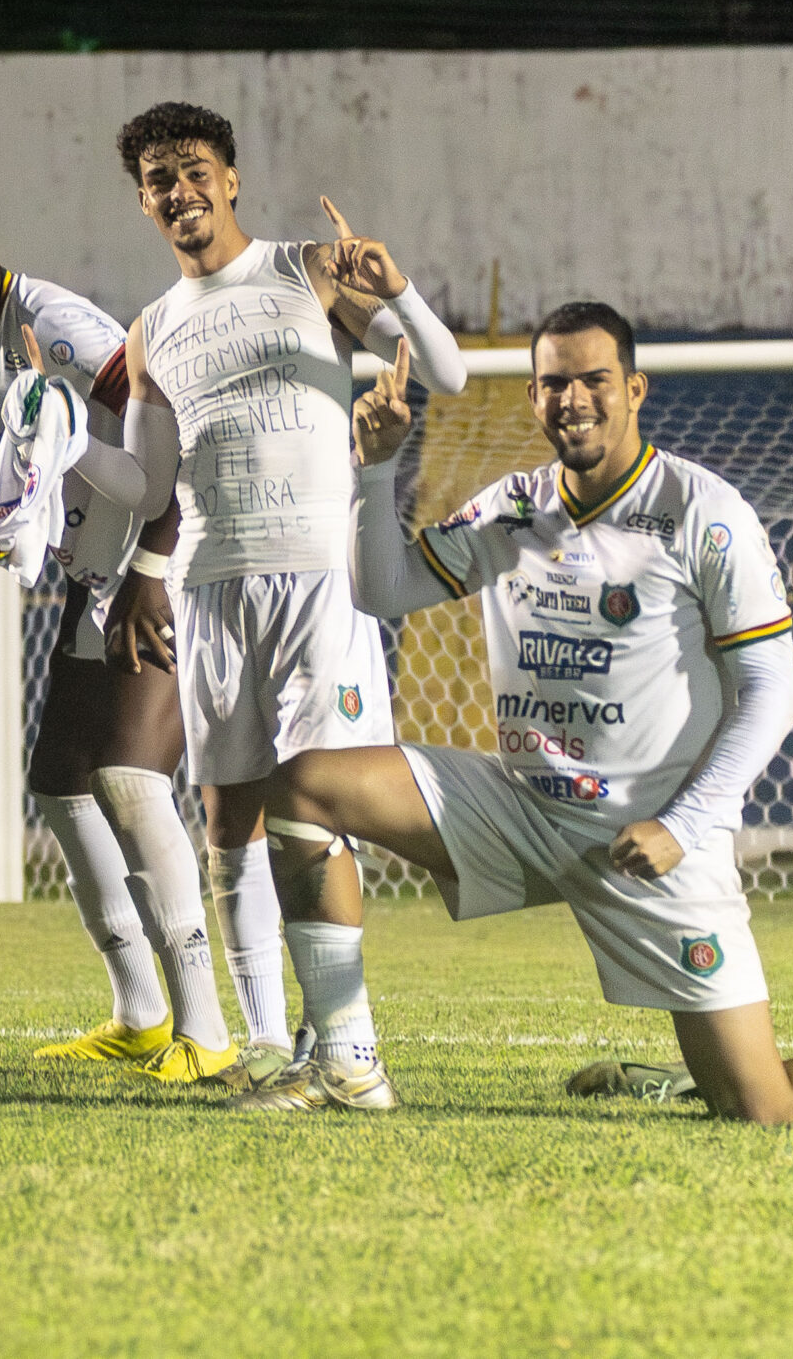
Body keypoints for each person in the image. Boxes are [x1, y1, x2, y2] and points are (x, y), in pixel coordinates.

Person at [228, 304, 793, 1121]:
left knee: (760, 1106)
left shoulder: (702, 512)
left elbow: (774, 690)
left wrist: (684, 825)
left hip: (650, 840)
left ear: (634, 388)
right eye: (554, 382)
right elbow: (382, 591)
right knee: (305, 786)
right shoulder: (509, 509)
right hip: (522, 808)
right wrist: (376, 468)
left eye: (594, 379)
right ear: (533, 396)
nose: (574, 398)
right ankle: (346, 1064)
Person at [117, 101, 468, 1088]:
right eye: (157, 180)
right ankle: (269, 1040)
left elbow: (446, 371)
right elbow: (147, 487)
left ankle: (340, 1042)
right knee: (230, 818)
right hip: (209, 587)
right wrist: (60, 462)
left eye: (192, 170)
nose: (177, 191)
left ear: (229, 179)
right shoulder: (149, 333)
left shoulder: (307, 268)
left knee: (318, 808)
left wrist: (395, 289)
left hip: (320, 573)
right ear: (142, 202)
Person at [0, 188, 230, 1080]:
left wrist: (150, 572)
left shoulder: (58, 326)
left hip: (163, 570)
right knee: (61, 783)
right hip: (101, 579)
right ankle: (141, 1014)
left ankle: (208, 1030)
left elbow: (173, 436)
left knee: (127, 779)